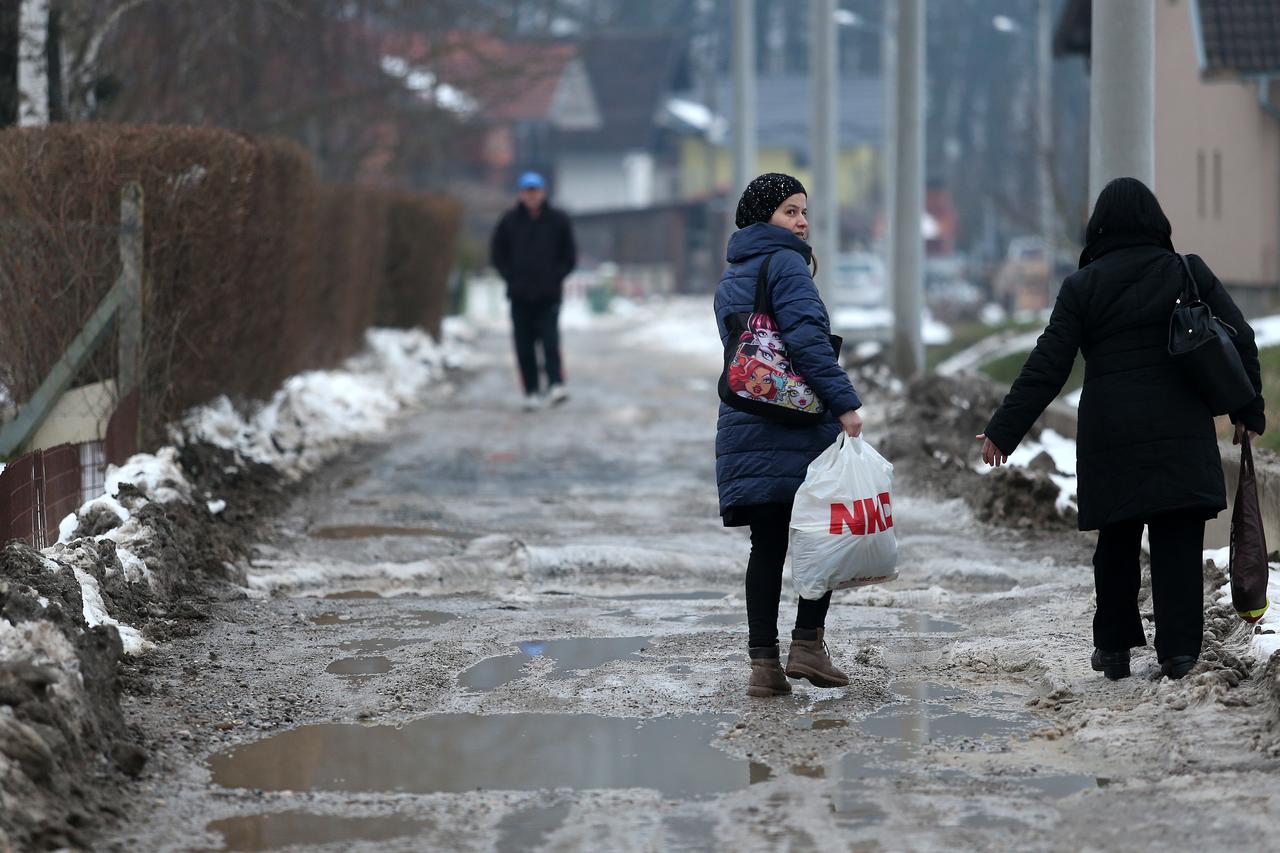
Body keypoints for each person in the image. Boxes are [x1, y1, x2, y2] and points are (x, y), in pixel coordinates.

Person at [977, 177, 1265, 681]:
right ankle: (1179, 653)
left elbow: (1048, 365)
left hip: (1111, 436)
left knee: (1116, 544)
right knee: (1178, 543)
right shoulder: (1186, 272)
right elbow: (1240, 336)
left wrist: (1004, 431)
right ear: (1156, 221)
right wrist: (1249, 409)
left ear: (1099, 227)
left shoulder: (1083, 287)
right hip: (1181, 431)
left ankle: (1112, 649)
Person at [714, 173, 866, 698]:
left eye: (803, 212)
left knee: (768, 544)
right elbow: (805, 341)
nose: (801, 222)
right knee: (818, 537)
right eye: (789, 212)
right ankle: (807, 644)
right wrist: (844, 402)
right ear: (764, 219)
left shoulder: (734, 272)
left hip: (746, 422)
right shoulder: (787, 265)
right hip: (795, 423)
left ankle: (764, 666)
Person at [490, 171, 577, 410]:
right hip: (520, 295)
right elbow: (498, 254)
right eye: (527, 191)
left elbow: (569, 255)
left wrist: (555, 276)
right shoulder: (509, 222)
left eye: (535, 191)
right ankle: (531, 390)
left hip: (549, 294)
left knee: (550, 341)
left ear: (543, 192)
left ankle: (556, 384)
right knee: (523, 345)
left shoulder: (558, 220)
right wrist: (511, 277)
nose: (531, 196)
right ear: (520, 193)